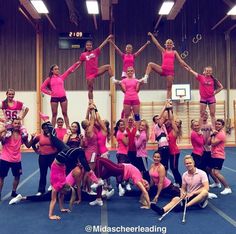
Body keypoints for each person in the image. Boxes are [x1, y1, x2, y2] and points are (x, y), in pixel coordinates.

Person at [141, 32, 191, 99]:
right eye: (168, 43)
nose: (169, 44)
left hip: (170, 72)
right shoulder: (163, 51)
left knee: (169, 88)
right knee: (150, 64)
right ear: (165, 45)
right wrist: (152, 36)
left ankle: (168, 102)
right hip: (162, 69)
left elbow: (181, 61)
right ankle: (145, 78)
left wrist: (188, 66)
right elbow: (157, 44)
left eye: (170, 43)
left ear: (173, 45)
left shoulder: (174, 52)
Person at [40, 60, 81, 128]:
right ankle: (52, 129)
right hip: (54, 98)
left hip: (63, 97)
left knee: (65, 113)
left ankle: (68, 128)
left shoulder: (61, 77)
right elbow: (42, 88)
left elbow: (69, 71)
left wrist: (76, 64)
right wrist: (50, 93)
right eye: (55, 69)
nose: (57, 70)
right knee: (54, 114)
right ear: (52, 71)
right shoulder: (49, 79)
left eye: (58, 69)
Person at [0, 118, 32, 200]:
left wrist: (32, 138)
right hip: (5, 159)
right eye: (15, 123)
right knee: (1, 177)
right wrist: (5, 130)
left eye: (18, 123)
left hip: (16, 160)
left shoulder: (22, 135)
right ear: (12, 124)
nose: (17, 125)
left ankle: (14, 192)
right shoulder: (7, 133)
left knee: (17, 177)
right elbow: (2, 140)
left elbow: (28, 145)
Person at [79, 35, 115, 103]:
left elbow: (102, 45)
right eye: (87, 45)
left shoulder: (95, 51)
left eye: (90, 45)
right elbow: (79, 62)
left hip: (96, 71)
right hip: (89, 74)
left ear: (92, 46)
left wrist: (107, 38)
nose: (89, 46)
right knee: (90, 89)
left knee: (108, 67)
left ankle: (113, 80)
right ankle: (91, 102)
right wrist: (74, 68)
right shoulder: (83, 54)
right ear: (86, 46)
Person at [31, 123, 58, 195]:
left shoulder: (53, 136)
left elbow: (58, 144)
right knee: (43, 173)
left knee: (54, 173)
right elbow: (33, 143)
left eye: (47, 128)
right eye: (44, 128)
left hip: (52, 156)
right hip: (43, 157)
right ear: (43, 129)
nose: (46, 129)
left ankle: (55, 187)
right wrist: (36, 150)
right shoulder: (39, 136)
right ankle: (41, 190)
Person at [209, 119, 232, 195]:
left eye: (219, 124)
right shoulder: (216, 132)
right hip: (213, 155)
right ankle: (216, 183)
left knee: (216, 173)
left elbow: (213, 143)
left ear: (222, 126)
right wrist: (212, 134)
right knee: (209, 169)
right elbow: (208, 143)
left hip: (219, 155)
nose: (217, 125)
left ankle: (227, 188)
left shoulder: (221, 134)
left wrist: (212, 134)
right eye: (216, 124)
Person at [166, 107, 182, 186]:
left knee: (174, 168)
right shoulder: (171, 129)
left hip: (174, 152)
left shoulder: (176, 130)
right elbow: (170, 120)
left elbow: (171, 120)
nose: (175, 123)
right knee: (172, 168)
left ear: (179, 125)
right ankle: (176, 181)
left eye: (177, 122)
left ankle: (181, 183)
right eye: (175, 121)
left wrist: (169, 110)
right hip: (171, 151)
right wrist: (169, 112)